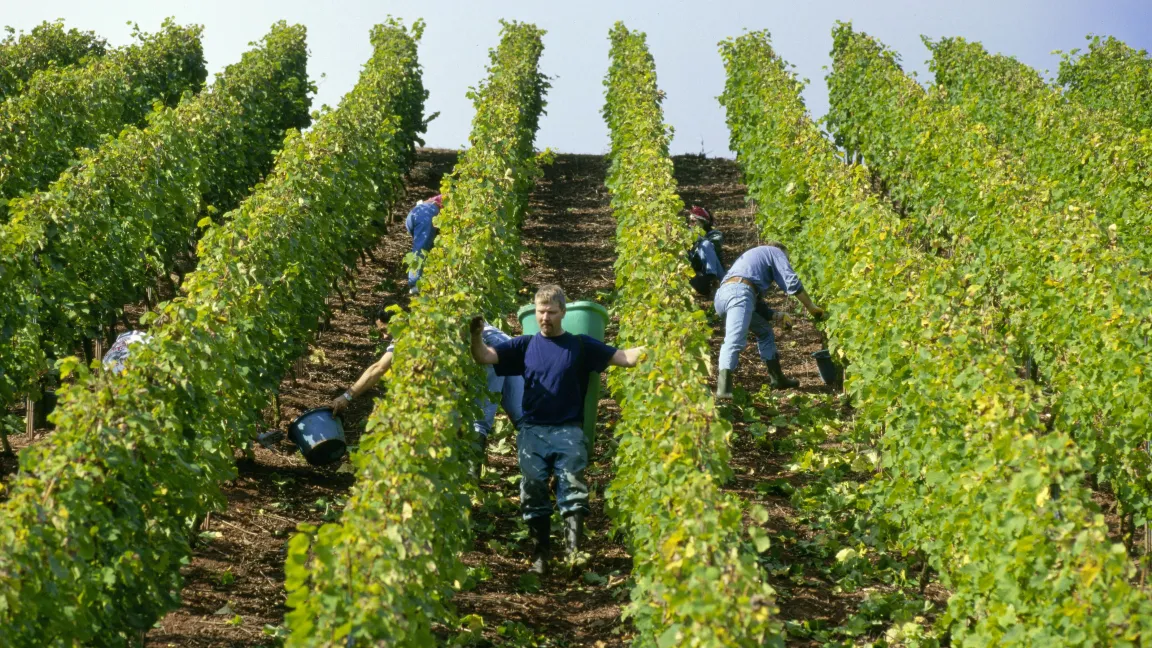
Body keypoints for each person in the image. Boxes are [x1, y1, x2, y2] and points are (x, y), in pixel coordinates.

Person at [470, 284, 645, 574]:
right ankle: (541, 554)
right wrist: (476, 335)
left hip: (569, 430)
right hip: (532, 431)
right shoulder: (524, 345)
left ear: (563, 312)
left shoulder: (580, 345)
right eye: (540, 311)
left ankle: (573, 552)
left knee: (572, 485)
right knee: (533, 486)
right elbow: (485, 357)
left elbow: (624, 358)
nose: (545, 317)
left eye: (551, 312)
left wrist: (661, 347)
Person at [714, 243, 824, 396]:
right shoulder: (775, 251)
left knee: (764, 331)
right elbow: (791, 282)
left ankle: (777, 379)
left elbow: (755, 304)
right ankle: (723, 392)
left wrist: (777, 315)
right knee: (734, 340)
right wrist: (810, 306)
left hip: (725, 296)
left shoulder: (754, 263)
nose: (786, 262)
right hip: (739, 294)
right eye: (787, 259)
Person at [404, 194, 442, 292]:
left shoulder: (441, 196)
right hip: (426, 217)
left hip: (414, 213)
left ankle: (424, 279)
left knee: (424, 248)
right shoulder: (458, 200)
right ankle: (414, 284)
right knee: (420, 250)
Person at [686, 206, 726, 297]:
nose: (690, 224)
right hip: (695, 272)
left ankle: (712, 279)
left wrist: (698, 239)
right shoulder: (687, 235)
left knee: (705, 244)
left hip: (714, 271)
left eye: (693, 221)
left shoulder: (714, 235)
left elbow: (715, 245)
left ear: (702, 223)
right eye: (689, 221)